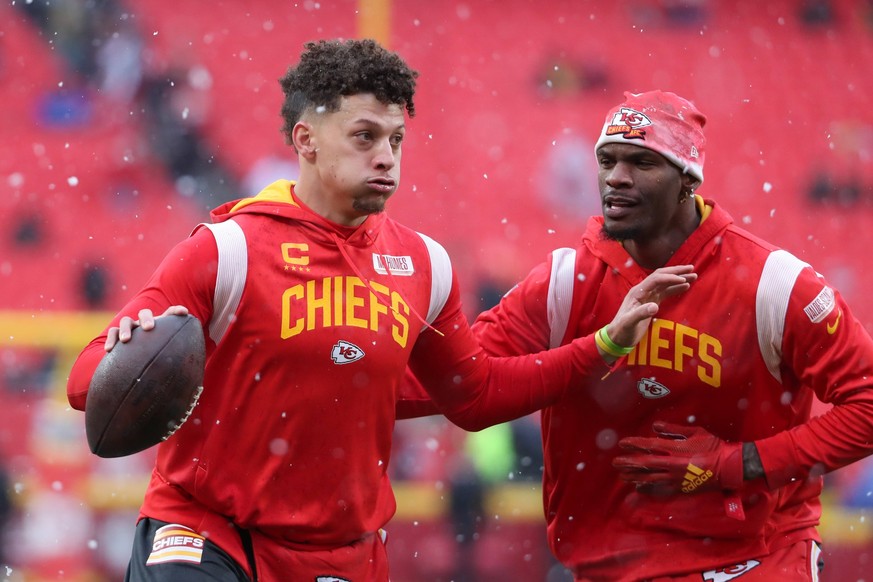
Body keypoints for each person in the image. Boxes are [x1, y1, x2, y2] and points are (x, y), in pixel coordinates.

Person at [65, 43, 696, 581]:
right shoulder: (225, 249)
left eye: (395, 139)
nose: (386, 156)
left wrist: (604, 346)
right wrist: (128, 363)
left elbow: (473, 397)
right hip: (208, 532)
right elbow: (85, 380)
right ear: (305, 140)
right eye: (364, 136)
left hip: (342, 553)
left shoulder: (425, 263)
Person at [400, 90, 873, 581]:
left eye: (642, 162)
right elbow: (463, 388)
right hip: (609, 564)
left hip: (753, 559)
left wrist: (737, 463)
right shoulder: (565, 281)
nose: (616, 177)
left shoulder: (774, 283)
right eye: (608, 159)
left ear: (688, 179)